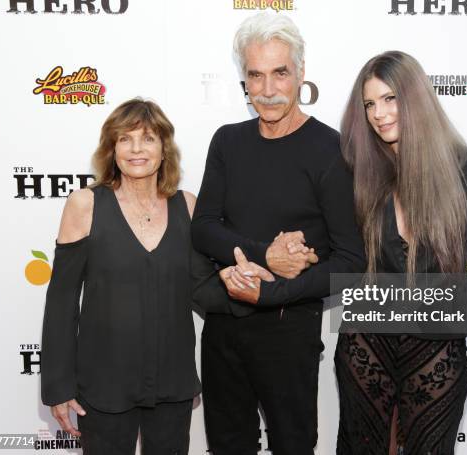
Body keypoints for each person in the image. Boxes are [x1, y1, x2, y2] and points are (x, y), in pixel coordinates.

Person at [191, 12, 366, 455]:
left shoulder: (331, 149)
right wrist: (267, 256)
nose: (267, 90)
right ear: (244, 79)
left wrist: (272, 292)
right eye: (255, 75)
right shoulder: (227, 142)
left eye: (280, 73)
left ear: (301, 73)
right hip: (224, 326)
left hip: (290, 330)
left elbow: (350, 260)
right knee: (227, 447)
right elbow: (204, 229)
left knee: (293, 446)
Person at [334, 51, 467, 455]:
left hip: (438, 346)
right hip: (367, 341)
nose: (378, 114)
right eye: (370, 103)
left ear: (415, 98)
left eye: (390, 98)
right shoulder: (354, 170)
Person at [40, 98, 202, 455]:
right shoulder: (86, 204)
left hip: (172, 383)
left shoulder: (188, 206)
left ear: (164, 148)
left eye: (147, 138)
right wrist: (58, 386)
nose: (136, 149)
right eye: (124, 139)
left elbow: (205, 290)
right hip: (103, 384)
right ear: (111, 148)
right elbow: (62, 301)